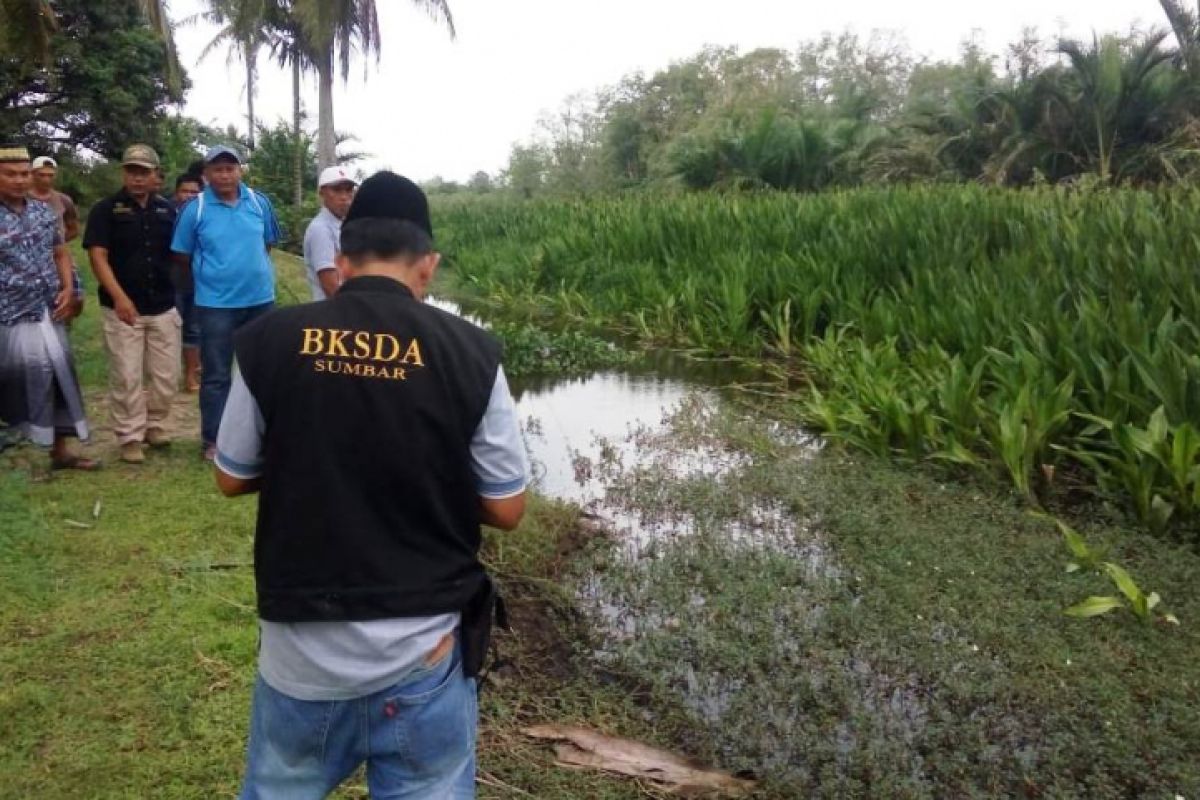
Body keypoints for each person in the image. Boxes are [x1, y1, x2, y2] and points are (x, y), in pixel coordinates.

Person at [214, 171, 528, 799]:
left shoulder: (269, 340)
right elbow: (506, 505)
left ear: (340, 256)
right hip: (424, 650)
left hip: (300, 657)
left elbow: (231, 476)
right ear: (428, 265)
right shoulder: (472, 352)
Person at [170, 145, 281, 460]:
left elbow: (268, 243)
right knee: (217, 375)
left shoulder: (259, 203)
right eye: (217, 169)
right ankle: (214, 441)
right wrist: (213, 278)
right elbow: (180, 253)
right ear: (206, 174)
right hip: (216, 305)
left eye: (230, 168)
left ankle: (260, 436)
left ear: (240, 171)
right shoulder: (196, 208)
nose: (224, 174)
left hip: (261, 301)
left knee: (260, 371)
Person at [0, 146, 97, 470]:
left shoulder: (42, 212)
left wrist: (70, 288)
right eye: (10, 174)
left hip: (49, 310)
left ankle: (60, 450)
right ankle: (21, 459)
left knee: (58, 376)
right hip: (10, 314)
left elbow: (60, 253)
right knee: (17, 382)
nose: (19, 180)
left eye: (23, 173)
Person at [82, 144, 180, 464]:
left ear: (155, 175)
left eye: (143, 172)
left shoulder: (168, 210)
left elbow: (179, 254)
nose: (137, 178)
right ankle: (129, 435)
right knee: (127, 375)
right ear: (124, 173)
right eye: (131, 171)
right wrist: (120, 297)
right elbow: (98, 256)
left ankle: (155, 425)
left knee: (166, 376)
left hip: (163, 304)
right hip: (123, 308)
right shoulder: (105, 210)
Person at [29, 155, 84, 321]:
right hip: (31, 258)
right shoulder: (23, 198)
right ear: (32, 174)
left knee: (76, 297)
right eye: (42, 175)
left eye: (50, 175)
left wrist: (56, 243)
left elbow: (73, 228)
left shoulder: (63, 200)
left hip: (60, 256)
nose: (46, 179)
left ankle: (65, 328)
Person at [303, 166, 357, 300]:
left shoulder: (343, 224)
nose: (344, 197)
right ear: (322, 193)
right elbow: (331, 286)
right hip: (334, 312)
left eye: (348, 190)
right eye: (337, 190)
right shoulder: (321, 229)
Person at [171, 172, 203, 392]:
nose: (189, 196)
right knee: (169, 330)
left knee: (193, 330)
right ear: (176, 193)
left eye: (195, 192)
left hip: (197, 283)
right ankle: (168, 377)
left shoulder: (206, 217)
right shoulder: (164, 215)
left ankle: (191, 376)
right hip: (169, 282)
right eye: (185, 191)